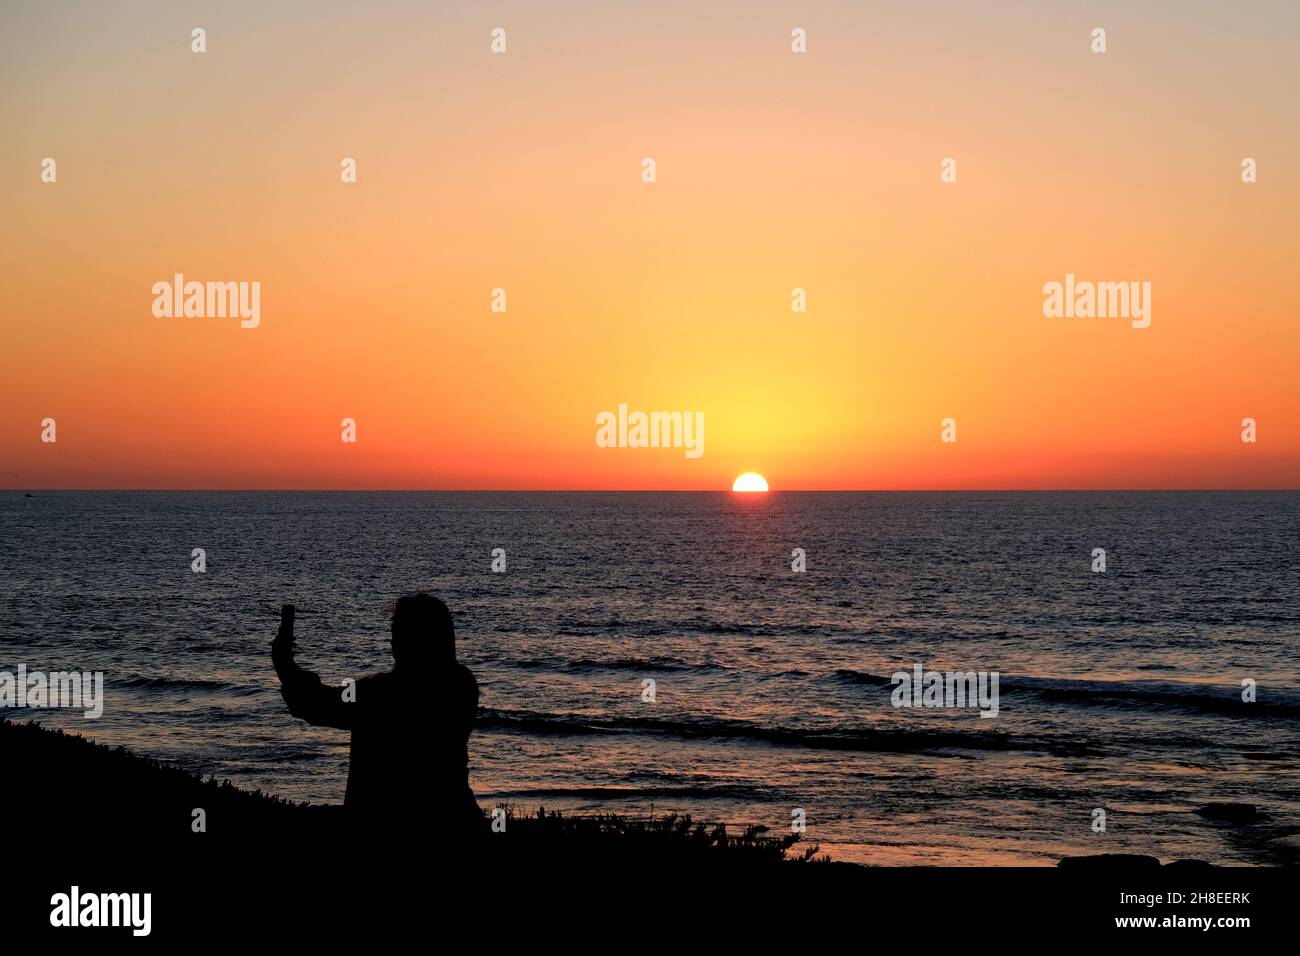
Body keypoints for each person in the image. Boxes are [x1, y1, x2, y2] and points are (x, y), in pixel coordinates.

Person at [271, 594, 483, 840]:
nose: (392, 639)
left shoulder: (380, 693)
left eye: (398, 630)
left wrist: (284, 663)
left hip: (381, 828)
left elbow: (315, 703)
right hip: (456, 822)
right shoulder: (461, 683)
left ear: (414, 637)